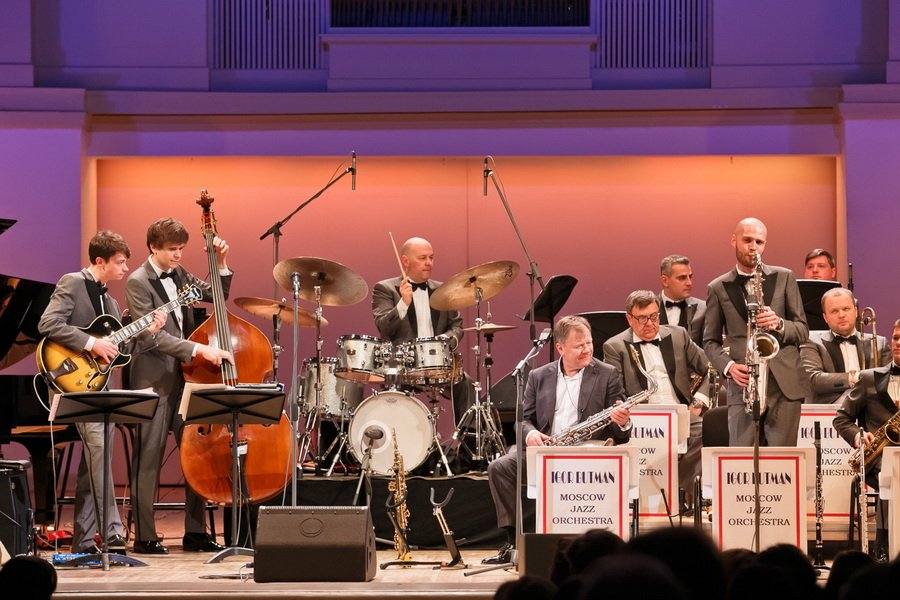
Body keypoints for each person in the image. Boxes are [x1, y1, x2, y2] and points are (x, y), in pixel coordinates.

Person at [38, 231, 166, 554]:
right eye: (120, 262)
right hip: (73, 385)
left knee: (93, 462)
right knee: (99, 451)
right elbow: (48, 324)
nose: (125, 268)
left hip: (99, 389)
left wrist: (148, 331)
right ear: (100, 261)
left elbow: (120, 353)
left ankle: (83, 542)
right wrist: (90, 343)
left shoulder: (111, 302)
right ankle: (112, 532)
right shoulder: (72, 282)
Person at [482, 315, 630, 565]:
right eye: (579, 345)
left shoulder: (608, 374)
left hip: (589, 457)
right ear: (560, 348)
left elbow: (621, 432)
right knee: (500, 467)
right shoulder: (538, 375)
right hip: (548, 453)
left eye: (589, 343)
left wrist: (623, 421)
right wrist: (531, 434)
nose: (587, 349)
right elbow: (523, 421)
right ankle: (513, 541)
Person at [125, 218, 233, 554]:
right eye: (172, 249)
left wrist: (221, 263)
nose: (178, 255)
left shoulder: (180, 274)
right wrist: (199, 349)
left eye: (181, 249)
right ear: (153, 247)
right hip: (153, 380)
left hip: (186, 379)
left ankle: (195, 532)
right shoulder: (138, 281)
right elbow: (151, 338)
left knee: (195, 454)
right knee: (149, 457)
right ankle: (145, 536)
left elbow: (217, 296)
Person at [703, 217, 809, 446]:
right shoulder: (717, 287)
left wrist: (778, 323)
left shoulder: (784, 277)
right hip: (744, 384)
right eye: (747, 240)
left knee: (782, 462)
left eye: (759, 242)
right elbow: (710, 341)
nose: (753, 247)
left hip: (784, 388)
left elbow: (802, 330)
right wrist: (729, 367)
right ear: (734, 241)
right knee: (741, 460)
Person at [603, 290, 709, 502]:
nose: (650, 324)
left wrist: (699, 401)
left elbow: (708, 367)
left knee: (705, 430)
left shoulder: (678, 335)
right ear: (629, 319)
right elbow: (615, 390)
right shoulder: (614, 346)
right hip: (642, 419)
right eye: (642, 318)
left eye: (654, 316)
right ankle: (664, 495)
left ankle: (678, 491)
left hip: (680, 414)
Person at [371, 236, 472, 425]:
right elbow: (384, 328)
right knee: (394, 391)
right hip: (403, 367)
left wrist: (446, 340)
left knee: (465, 382)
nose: (429, 263)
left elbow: (457, 325)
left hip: (437, 363)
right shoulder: (385, 288)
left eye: (431, 258)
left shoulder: (443, 289)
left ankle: (467, 437)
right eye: (423, 258)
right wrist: (403, 303)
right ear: (405, 261)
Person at [832, 319, 900, 563]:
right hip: (880, 458)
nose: (898, 343)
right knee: (892, 470)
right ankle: (883, 545)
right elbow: (841, 419)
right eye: (896, 338)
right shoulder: (869, 378)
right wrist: (858, 435)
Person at [800, 287, 890, 404]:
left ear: (856, 312)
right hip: (830, 408)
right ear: (825, 317)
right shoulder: (812, 341)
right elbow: (813, 380)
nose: (841, 315)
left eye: (846, 309)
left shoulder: (879, 342)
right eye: (834, 311)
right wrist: (854, 378)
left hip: (871, 408)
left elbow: (890, 379)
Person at [658, 254, 706, 347]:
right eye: (682, 278)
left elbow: (708, 349)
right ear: (665, 281)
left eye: (690, 277)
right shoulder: (649, 309)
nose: (689, 283)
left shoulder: (703, 309)